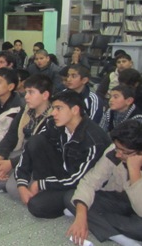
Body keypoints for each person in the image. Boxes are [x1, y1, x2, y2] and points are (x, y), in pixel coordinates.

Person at [13, 90, 111, 219]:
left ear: (75, 110)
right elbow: (29, 149)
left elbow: (78, 179)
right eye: (53, 108)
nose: (53, 113)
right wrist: (21, 184)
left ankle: (68, 202)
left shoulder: (93, 140)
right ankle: (50, 191)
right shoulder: (53, 123)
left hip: (80, 184)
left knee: (37, 206)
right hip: (61, 172)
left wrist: (41, 184)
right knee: (36, 140)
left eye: (58, 108)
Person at [65, 119, 142, 246]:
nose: (118, 154)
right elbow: (90, 181)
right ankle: (125, 241)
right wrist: (81, 215)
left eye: (125, 152)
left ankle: (94, 218)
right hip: (120, 199)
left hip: (139, 210)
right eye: (117, 148)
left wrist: (134, 171)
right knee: (71, 197)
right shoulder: (114, 151)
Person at [0, 74, 53, 191]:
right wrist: (0, 157)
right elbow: (11, 136)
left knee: (13, 188)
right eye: (26, 92)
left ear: (45, 95)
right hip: (20, 150)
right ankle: (10, 176)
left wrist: (11, 163)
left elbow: (39, 151)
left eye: (31, 92)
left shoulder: (53, 117)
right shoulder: (26, 110)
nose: (26, 97)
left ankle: (14, 179)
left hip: (37, 158)